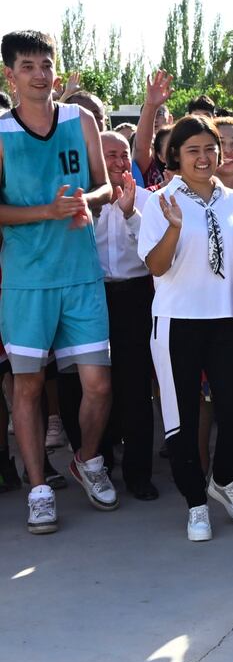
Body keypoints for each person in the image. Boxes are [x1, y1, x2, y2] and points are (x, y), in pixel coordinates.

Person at [0, 30, 117, 534]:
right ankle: (39, 489)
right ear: (10, 75)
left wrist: (89, 203)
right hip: (26, 282)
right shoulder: (0, 132)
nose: (40, 74)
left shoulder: (80, 118)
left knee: (99, 383)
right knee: (27, 388)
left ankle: (87, 459)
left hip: (81, 276)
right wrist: (43, 212)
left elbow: (107, 183)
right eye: (27, 66)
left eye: (46, 64)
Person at [139, 116, 233, 540]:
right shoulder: (161, 201)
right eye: (192, 150)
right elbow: (156, 266)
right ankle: (196, 502)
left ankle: (223, 480)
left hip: (229, 319)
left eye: (210, 148)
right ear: (174, 156)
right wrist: (175, 229)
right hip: (178, 321)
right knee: (182, 416)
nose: (203, 157)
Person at [93, 130, 158, 500]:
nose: (119, 162)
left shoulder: (148, 200)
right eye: (110, 155)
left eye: (123, 155)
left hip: (136, 296)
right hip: (93, 295)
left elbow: (150, 253)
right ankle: (96, 462)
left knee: (135, 387)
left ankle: (138, 473)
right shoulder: (83, 201)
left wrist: (130, 212)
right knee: (93, 385)